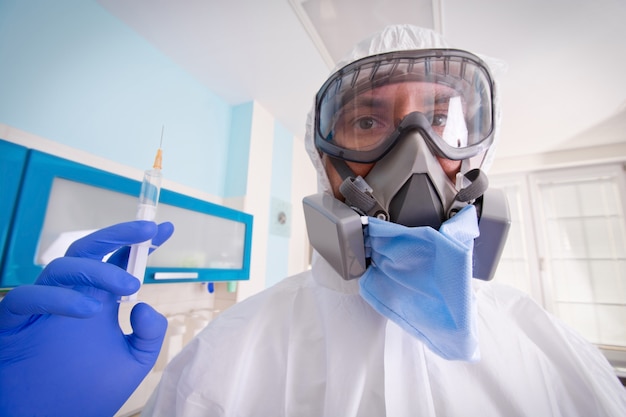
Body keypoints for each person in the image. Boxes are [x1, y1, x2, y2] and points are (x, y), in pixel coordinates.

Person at [1, 24, 625, 417]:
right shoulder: (230, 354)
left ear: (476, 156)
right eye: (368, 122)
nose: (414, 152)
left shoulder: (544, 344)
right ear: (325, 162)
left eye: (441, 122)